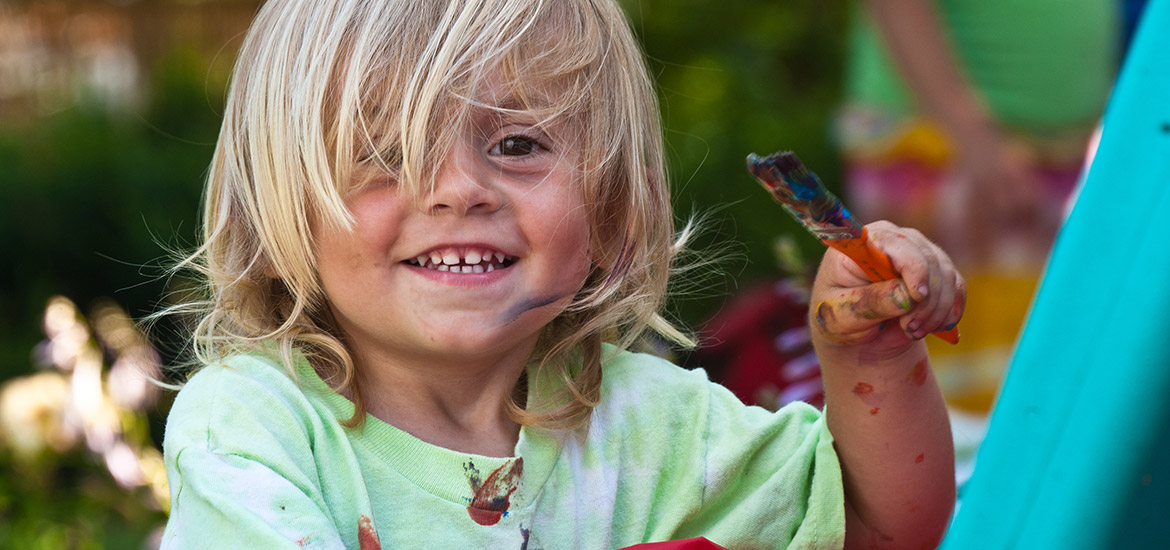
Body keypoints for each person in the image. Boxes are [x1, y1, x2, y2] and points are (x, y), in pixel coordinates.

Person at [158, 1, 965, 548]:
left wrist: (874, 361)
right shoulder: (255, 423)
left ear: (610, 208)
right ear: (276, 214)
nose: (458, 188)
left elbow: (880, 524)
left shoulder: (651, 425)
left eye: (517, 145)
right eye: (385, 154)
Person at [836, 0, 1118, 413]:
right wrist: (970, 134)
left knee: (1037, 390)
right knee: (958, 412)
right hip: (943, 152)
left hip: (1053, 159)